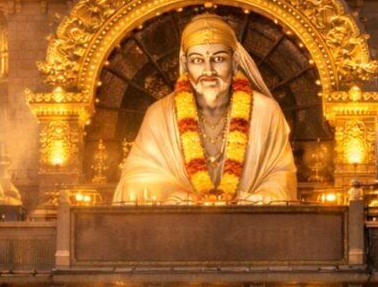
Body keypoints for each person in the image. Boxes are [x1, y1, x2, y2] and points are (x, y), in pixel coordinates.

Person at [113, 13, 297, 204]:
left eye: (218, 60)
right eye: (198, 61)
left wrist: (247, 200)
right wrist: (184, 198)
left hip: (248, 224)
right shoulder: (160, 113)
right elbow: (133, 180)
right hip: (177, 224)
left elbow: (281, 178)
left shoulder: (266, 112)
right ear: (185, 65)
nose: (208, 71)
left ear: (234, 63)